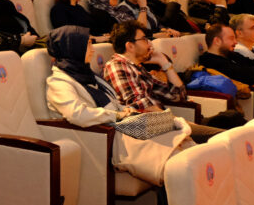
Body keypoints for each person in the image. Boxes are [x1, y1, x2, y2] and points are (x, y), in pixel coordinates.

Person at [45, 26, 194, 185]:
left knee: (188, 152)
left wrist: (125, 110)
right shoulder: (58, 83)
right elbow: (78, 115)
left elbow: (114, 104)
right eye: (88, 44)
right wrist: (118, 115)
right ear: (74, 48)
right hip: (106, 138)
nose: (93, 49)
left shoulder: (88, 75)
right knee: (180, 166)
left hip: (122, 128)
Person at [100, 21, 227, 143]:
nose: (149, 43)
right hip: (153, 131)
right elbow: (142, 107)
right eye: (144, 39)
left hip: (166, 124)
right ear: (130, 46)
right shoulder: (117, 66)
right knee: (223, 138)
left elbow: (178, 96)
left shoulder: (138, 68)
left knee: (229, 119)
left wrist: (164, 63)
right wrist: (178, 122)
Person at [198, 23, 254, 117]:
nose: (235, 42)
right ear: (217, 41)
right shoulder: (210, 61)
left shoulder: (230, 54)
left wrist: (253, 73)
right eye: (231, 38)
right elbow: (250, 77)